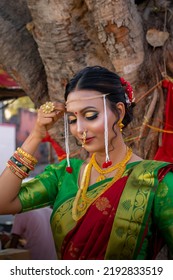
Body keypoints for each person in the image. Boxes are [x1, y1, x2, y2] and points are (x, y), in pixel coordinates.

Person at [0, 65, 173, 260]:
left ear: (119, 112)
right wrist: (37, 134)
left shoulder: (156, 181)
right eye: (73, 119)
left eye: (90, 116)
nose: (80, 129)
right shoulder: (64, 175)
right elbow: (3, 202)